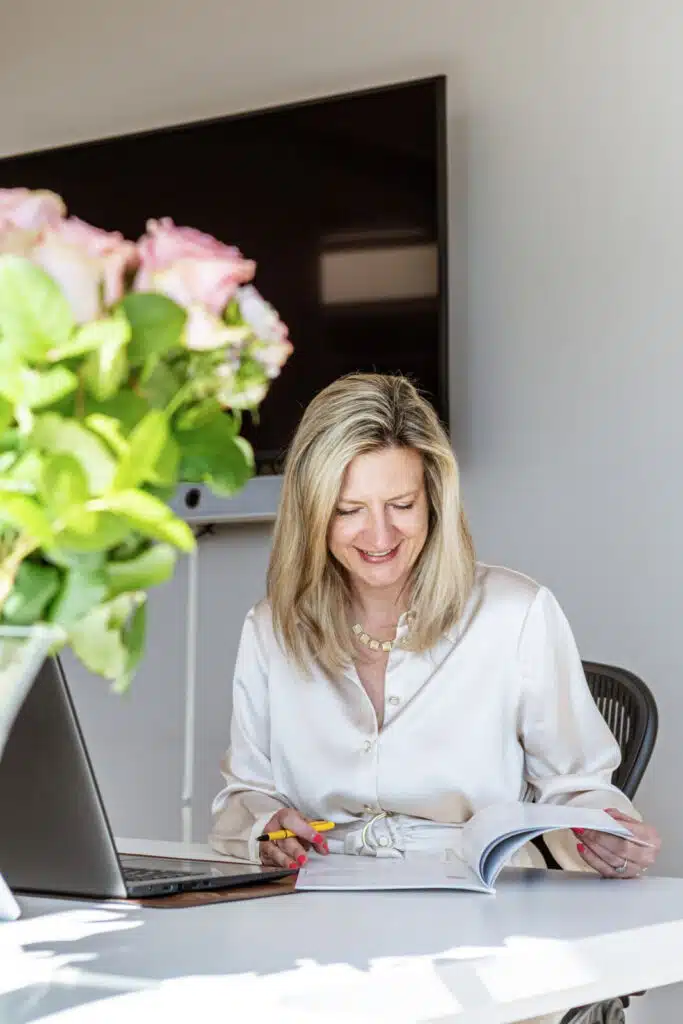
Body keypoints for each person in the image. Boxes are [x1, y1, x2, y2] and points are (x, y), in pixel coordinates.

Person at [210, 373, 660, 1024]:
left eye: (400, 503)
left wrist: (605, 836)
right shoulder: (270, 629)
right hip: (318, 924)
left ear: (434, 500)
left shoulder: (515, 612)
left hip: (484, 925)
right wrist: (268, 826)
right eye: (347, 509)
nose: (378, 534)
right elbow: (243, 795)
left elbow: (578, 787)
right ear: (312, 512)